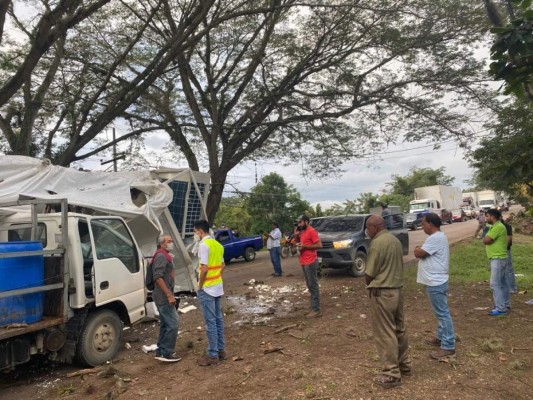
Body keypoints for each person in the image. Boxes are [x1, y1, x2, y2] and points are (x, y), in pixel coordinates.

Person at [365, 215, 411, 388]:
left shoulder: (377, 243)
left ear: (373, 227)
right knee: (399, 328)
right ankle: (404, 365)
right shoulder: (394, 240)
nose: (367, 232)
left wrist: (368, 282)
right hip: (397, 289)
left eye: (368, 228)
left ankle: (391, 373)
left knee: (385, 332)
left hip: (382, 292)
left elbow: (370, 272)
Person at [414, 213, 456, 360]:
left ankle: (448, 345)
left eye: (424, 224)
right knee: (440, 312)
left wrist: (418, 249)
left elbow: (420, 253)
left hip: (435, 281)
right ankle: (440, 337)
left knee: (442, 313)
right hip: (435, 279)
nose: (422, 226)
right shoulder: (436, 237)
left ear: (430, 224)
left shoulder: (435, 237)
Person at [194, 220, 227, 366]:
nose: (195, 234)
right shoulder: (218, 245)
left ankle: (213, 355)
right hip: (218, 286)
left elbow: (205, 268)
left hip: (207, 288)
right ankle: (221, 351)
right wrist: (217, 276)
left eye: (195, 232)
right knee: (218, 320)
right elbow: (223, 265)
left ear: (200, 231)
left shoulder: (203, 245)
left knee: (210, 322)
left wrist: (200, 285)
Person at [152, 234, 181, 362]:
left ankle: (160, 351)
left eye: (171, 240)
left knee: (165, 324)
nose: (171, 243)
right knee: (173, 323)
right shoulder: (161, 256)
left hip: (163, 295)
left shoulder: (165, 255)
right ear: (162, 244)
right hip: (163, 297)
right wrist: (169, 295)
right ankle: (166, 353)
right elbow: (158, 276)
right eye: (169, 241)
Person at [483, 209, 510, 316]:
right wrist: (488, 239)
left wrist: (488, 240)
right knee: (503, 283)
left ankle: (501, 308)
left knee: (495, 283)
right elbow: (486, 239)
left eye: (487, 216)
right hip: (499, 257)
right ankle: (506, 304)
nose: (486, 218)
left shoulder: (498, 227)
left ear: (492, 216)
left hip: (498, 258)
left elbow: (486, 240)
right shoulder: (494, 227)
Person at [296, 214, 322, 318]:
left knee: (313, 285)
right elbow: (302, 244)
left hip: (310, 261)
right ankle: (313, 307)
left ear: (306, 221)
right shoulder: (302, 232)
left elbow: (319, 245)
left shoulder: (311, 231)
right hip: (304, 261)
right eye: (298, 222)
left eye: (300, 222)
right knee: (309, 285)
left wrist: (305, 246)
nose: (299, 224)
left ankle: (316, 310)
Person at [502, 219, 517, 294]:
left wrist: (504, 249)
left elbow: (509, 239)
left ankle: (512, 288)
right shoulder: (494, 226)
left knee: (508, 269)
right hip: (498, 252)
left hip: (505, 250)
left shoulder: (506, 226)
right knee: (501, 270)